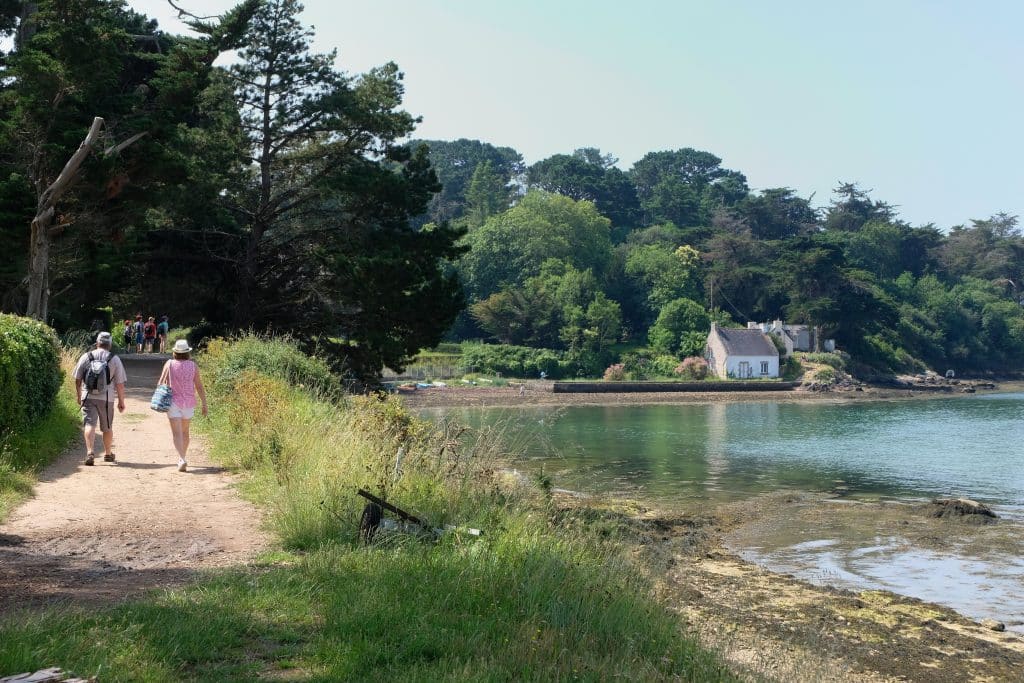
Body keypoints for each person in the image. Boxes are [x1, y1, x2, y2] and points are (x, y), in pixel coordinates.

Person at [72, 332, 127, 465]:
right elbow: (120, 384)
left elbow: (78, 379)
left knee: (89, 424)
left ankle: (90, 452)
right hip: (106, 398)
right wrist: (121, 401)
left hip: (88, 396)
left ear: (97, 343)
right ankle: (108, 454)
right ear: (110, 344)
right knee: (107, 427)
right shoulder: (114, 359)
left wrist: (79, 396)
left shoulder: (86, 356)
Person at [158, 339, 207, 472]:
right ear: (187, 353)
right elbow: (199, 386)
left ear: (175, 352)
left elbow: (161, 382)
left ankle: (181, 458)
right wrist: (204, 404)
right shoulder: (193, 366)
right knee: (185, 433)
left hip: (173, 402)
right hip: (189, 404)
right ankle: (182, 458)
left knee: (177, 434)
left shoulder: (169, 364)